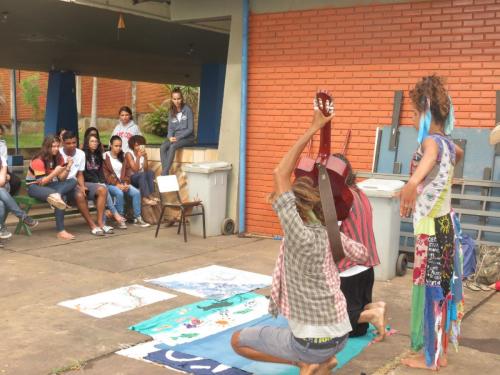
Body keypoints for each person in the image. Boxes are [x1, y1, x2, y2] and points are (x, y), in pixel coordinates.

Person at [231, 94, 369, 375]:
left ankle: (304, 363)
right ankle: (322, 361)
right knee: (321, 345)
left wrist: (313, 127)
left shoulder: (297, 233)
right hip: (341, 335)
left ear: (295, 209)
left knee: (238, 342)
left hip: (310, 343)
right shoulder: (330, 234)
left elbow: (279, 173)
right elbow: (363, 253)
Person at [399, 75, 464, 370]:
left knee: (432, 295)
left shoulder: (431, 142)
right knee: (443, 293)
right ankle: (441, 352)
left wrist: (413, 182)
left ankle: (431, 358)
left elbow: (431, 154)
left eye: (414, 114)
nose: (412, 119)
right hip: (445, 229)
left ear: (426, 113)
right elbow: (453, 154)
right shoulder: (450, 144)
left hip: (431, 233)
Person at [332, 153, 387, 342]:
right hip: (367, 268)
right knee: (359, 329)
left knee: (342, 327)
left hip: (349, 271)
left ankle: (372, 313)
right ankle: (374, 307)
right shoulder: (360, 193)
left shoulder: (340, 199)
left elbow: (332, 239)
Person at [59, 131, 111, 236]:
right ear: (63, 143)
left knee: (102, 189)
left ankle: (101, 223)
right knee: (79, 195)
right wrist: (79, 188)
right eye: (68, 143)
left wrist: (82, 186)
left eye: (74, 142)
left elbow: (80, 174)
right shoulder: (59, 153)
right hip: (63, 184)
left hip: (76, 183)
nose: (72, 145)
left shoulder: (80, 153)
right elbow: (59, 177)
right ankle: (92, 225)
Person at [26, 135, 77, 240]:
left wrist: (68, 167)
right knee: (63, 197)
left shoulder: (59, 157)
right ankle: (61, 231)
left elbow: (62, 179)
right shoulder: (38, 160)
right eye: (53, 146)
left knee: (73, 181)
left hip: (51, 186)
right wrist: (54, 173)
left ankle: (57, 195)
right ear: (46, 146)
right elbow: (41, 183)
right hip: (34, 187)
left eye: (58, 146)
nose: (56, 149)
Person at [103, 136, 150, 227]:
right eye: (116, 146)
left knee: (136, 193)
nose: (118, 148)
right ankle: (120, 218)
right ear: (111, 145)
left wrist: (125, 183)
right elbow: (105, 174)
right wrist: (117, 184)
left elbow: (128, 172)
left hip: (122, 183)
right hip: (109, 184)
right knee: (119, 193)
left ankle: (138, 217)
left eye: (120, 146)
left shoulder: (122, 156)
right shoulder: (105, 156)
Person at [82, 134, 127, 229]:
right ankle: (115, 214)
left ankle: (106, 220)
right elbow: (83, 173)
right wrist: (98, 182)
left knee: (104, 188)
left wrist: (101, 181)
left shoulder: (98, 155)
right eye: (92, 141)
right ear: (87, 143)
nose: (94, 143)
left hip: (98, 183)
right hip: (86, 183)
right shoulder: (83, 155)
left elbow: (100, 172)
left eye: (96, 141)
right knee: (104, 189)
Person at [0, 154, 38, 239]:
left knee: (1, 204)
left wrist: (5, 178)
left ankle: (2, 228)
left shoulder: (1, 159)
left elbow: (1, 181)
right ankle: (22, 216)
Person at [160, 87, 195, 175]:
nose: (177, 101)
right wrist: (170, 137)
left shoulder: (187, 110)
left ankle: (164, 173)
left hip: (187, 138)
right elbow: (170, 128)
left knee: (172, 147)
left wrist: (178, 137)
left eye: (178, 98)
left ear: (182, 98)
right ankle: (166, 172)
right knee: (163, 147)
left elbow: (190, 129)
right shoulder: (171, 111)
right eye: (174, 99)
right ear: (172, 99)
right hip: (175, 138)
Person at [125, 135, 159, 206]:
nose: (139, 147)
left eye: (140, 145)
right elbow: (135, 170)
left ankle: (150, 195)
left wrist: (145, 157)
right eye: (136, 145)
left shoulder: (142, 153)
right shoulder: (129, 154)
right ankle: (144, 198)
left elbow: (146, 169)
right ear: (132, 146)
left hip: (140, 177)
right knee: (142, 174)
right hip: (131, 178)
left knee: (150, 172)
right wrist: (138, 157)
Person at [0, 125, 21, 196]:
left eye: (0, 134)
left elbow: (4, 161)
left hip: (3, 167)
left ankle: (8, 197)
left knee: (16, 181)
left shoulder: (2, 144)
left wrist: (5, 174)